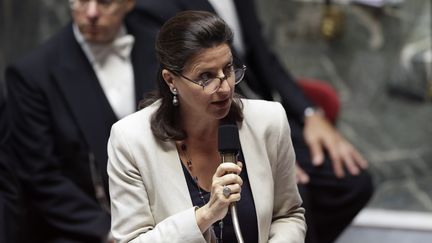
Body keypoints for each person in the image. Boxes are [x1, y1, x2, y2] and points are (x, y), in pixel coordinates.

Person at [135, 1, 374, 242]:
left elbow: (263, 56)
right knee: (294, 192)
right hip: (207, 125)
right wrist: (258, 148)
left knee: (353, 183)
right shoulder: (154, 7)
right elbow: (162, 90)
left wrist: (310, 112)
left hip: (258, 115)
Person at [107, 10, 306, 243]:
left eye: (229, 69)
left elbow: (288, 214)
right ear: (171, 80)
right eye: (205, 76)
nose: (224, 88)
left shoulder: (269, 121)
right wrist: (206, 215)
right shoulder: (131, 140)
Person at [5, 0, 160, 242]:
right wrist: (111, 233)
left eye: (105, 2)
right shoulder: (32, 74)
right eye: (81, 1)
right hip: (87, 229)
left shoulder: (161, 46)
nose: (91, 13)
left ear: (129, 3)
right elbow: (41, 176)